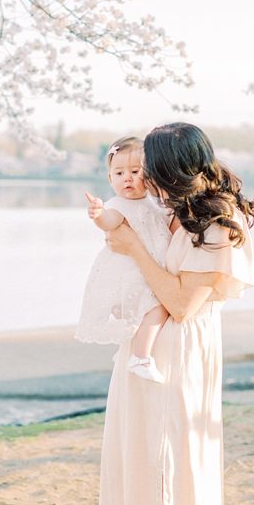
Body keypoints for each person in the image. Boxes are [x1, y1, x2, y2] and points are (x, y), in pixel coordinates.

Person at [83, 122, 254, 505]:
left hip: (179, 356)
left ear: (175, 167)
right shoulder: (172, 210)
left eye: (153, 167)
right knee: (138, 478)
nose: (146, 178)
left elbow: (182, 303)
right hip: (147, 352)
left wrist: (132, 247)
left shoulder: (218, 223)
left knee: (171, 484)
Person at [75, 135, 171, 383]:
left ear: (149, 175)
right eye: (118, 173)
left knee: (147, 313)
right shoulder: (118, 206)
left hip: (148, 270)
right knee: (156, 309)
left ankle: (131, 350)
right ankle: (140, 357)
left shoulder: (154, 204)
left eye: (135, 171)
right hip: (132, 273)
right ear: (110, 179)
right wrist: (98, 214)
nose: (126, 178)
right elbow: (109, 221)